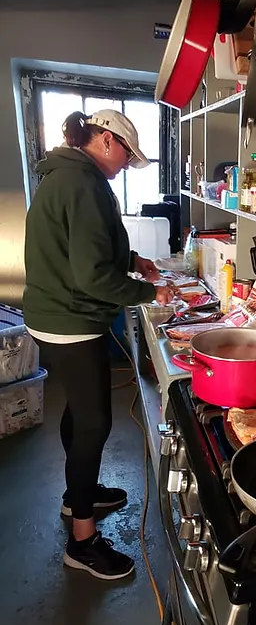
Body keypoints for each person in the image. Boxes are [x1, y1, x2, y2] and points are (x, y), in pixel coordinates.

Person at [23, 109, 173, 581]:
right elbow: (91, 274)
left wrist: (132, 258)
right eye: (127, 153)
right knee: (94, 423)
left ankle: (75, 497)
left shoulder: (70, 174)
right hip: (70, 320)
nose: (128, 163)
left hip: (54, 316)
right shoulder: (83, 183)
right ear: (106, 139)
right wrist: (152, 292)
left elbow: (86, 245)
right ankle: (83, 542)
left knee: (78, 414)